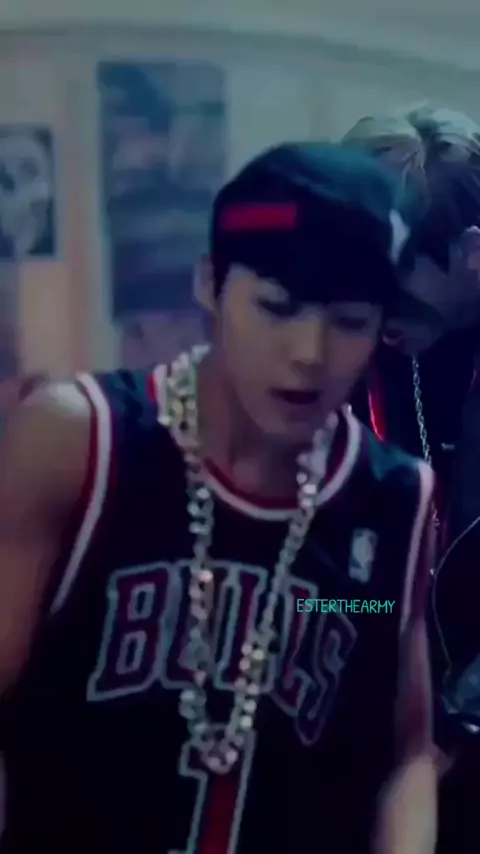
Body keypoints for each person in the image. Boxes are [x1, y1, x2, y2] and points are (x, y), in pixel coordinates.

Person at [0, 142, 435, 853]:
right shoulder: (81, 443)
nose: (310, 352)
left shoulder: (392, 502)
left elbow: (405, 754)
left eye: (350, 321)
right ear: (210, 284)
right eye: (276, 307)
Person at [342, 104, 480, 853]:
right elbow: (336, 587)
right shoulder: (358, 355)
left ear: (472, 253)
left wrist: (457, 723)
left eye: (397, 282)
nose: (375, 313)